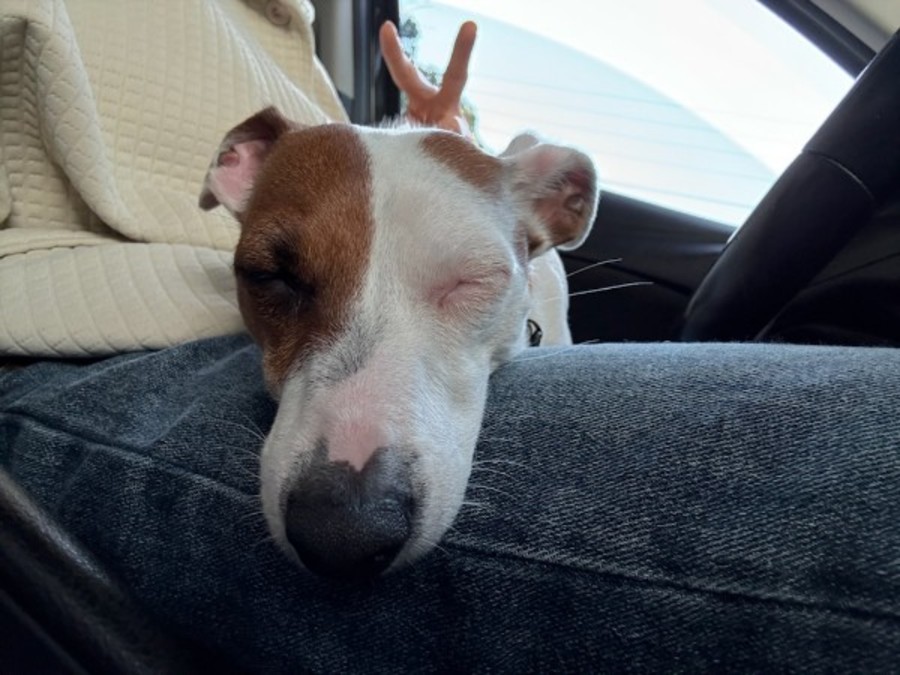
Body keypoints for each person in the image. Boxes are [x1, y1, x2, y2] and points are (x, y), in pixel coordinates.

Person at [2, 15, 900, 674]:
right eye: (280, 280)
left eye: (469, 282)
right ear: (234, 178)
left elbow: (385, 203)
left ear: (554, 216)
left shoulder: (290, 43)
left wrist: (439, 155)